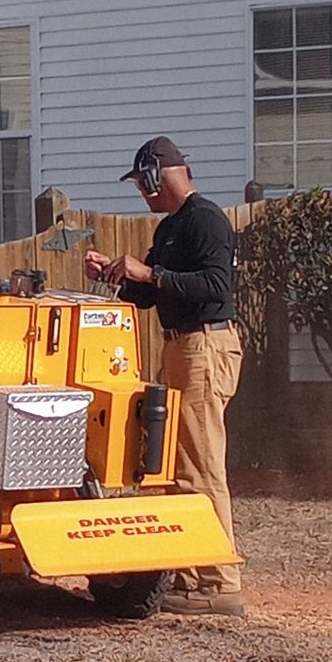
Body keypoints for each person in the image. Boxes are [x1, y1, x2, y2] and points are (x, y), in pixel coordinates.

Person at [85, 136, 243, 616]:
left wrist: (150, 275)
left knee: (199, 463)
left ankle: (220, 582)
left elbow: (216, 285)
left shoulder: (206, 220)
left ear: (159, 174)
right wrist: (119, 274)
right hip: (180, 345)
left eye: (142, 183)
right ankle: (192, 572)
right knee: (172, 462)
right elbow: (150, 297)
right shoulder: (171, 229)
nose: (142, 193)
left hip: (204, 344)